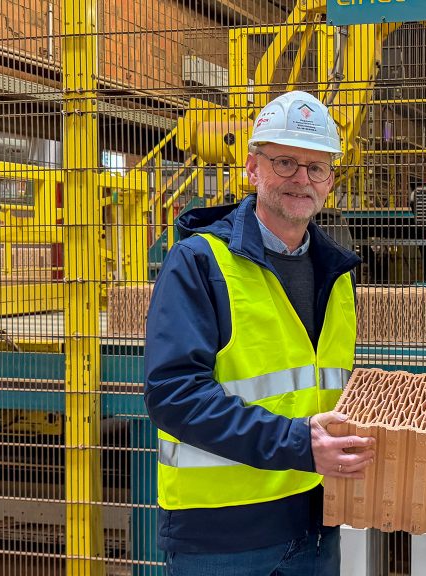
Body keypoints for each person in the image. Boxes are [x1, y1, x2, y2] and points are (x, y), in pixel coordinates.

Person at [144, 90, 375, 576]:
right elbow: (173, 395)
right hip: (222, 537)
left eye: (316, 168)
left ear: (330, 181)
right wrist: (296, 443)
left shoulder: (337, 276)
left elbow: (324, 389)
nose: (301, 179)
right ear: (252, 167)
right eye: (285, 162)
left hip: (315, 525)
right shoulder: (200, 263)